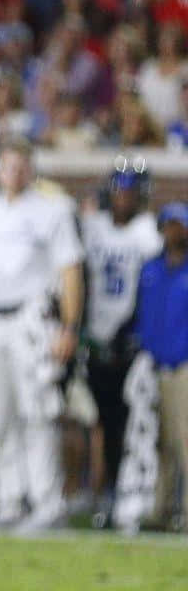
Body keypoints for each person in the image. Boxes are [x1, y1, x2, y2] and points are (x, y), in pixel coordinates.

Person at [0, 136, 84, 532]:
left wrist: (69, 326)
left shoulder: (53, 211)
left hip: (32, 320)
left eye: (21, 165)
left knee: (38, 413)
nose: (14, 173)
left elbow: (70, 272)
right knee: (2, 415)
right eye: (8, 165)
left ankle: (47, 500)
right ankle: (9, 500)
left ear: (31, 169)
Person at [80, 160, 162, 521]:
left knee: (134, 424)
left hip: (131, 344)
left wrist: (132, 333)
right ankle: (106, 492)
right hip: (96, 341)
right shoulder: (94, 228)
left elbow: (152, 290)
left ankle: (134, 497)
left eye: (129, 192)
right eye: (118, 191)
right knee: (102, 421)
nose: (122, 198)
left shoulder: (149, 232)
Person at [136, 203, 188, 530]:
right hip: (154, 364)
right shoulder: (151, 269)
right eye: (169, 225)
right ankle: (162, 508)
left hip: (184, 365)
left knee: (185, 439)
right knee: (161, 442)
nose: (174, 232)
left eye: (179, 226)